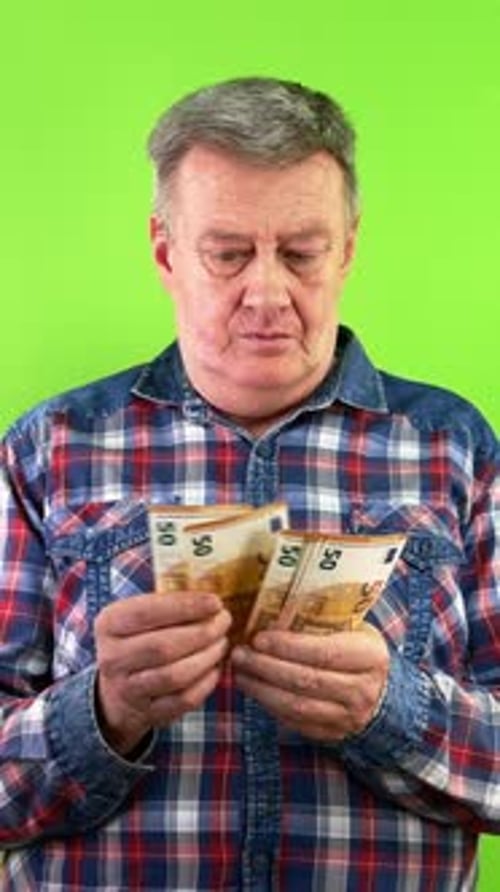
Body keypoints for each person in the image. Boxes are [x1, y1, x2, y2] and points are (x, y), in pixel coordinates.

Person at [0, 77, 498, 892]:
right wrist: (103, 714)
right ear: (165, 251)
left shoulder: (456, 447)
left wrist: (394, 708)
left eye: (301, 252)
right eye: (228, 254)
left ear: (348, 248)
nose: (267, 293)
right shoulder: (48, 449)